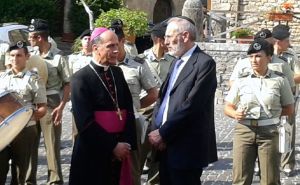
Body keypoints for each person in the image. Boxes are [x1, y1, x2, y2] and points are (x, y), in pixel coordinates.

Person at [149, 16, 218, 185]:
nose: (165, 42)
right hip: (164, 145)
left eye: (168, 36)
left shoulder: (204, 63)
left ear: (185, 36)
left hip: (186, 147)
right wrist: (155, 129)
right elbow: (163, 99)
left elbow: (192, 105)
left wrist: (163, 133)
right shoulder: (175, 63)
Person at [69, 27, 137, 185]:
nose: (116, 50)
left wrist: (125, 144)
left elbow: (128, 110)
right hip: (93, 150)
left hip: (121, 148)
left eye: (117, 45)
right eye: (110, 46)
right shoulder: (80, 79)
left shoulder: (117, 73)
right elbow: (85, 122)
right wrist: (113, 146)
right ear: (95, 48)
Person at [224, 39, 294, 185]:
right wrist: (235, 114)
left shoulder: (280, 80)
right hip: (244, 131)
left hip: (269, 132)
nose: (253, 60)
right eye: (251, 56)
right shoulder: (241, 81)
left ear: (269, 57)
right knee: (240, 179)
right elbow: (227, 107)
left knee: (270, 179)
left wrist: (271, 117)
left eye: (258, 56)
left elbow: (289, 108)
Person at [109, 23, 158, 185]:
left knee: (132, 168)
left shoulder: (138, 64)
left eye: (116, 43)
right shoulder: (103, 66)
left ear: (123, 41)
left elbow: (153, 94)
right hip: (107, 125)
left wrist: (134, 107)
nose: (113, 49)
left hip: (131, 124)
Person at [27, 18, 71, 185]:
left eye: (31, 36)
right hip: (33, 104)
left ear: (40, 38)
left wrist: (61, 107)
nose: (29, 40)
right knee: (31, 145)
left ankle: (54, 180)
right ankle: (29, 179)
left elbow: (67, 84)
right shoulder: (31, 56)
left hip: (52, 103)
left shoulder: (59, 57)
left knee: (51, 145)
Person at [0, 41, 47, 185]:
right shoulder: (1, 78)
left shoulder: (34, 79)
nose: (15, 58)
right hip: (2, 131)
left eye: (19, 55)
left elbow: (42, 108)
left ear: (27, 57)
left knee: (20, 174)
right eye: (12, 55)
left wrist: (24, 118)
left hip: (25, 130)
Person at [139, 21, 174, 185]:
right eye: (168, 37)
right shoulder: (140, 61)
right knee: (137, 157)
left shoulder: (174, 62)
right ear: (160, 40)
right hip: (144, 115)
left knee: (158, 159)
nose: (170, 42)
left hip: (164, 116)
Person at [272, 25, 300, 176]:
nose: (289, 43)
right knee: (266, 130)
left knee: (288, 130)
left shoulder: (290, 55)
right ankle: (261, 162)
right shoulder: (266, 53)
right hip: (269, 99)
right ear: (277, 41)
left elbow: (299, 75)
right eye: (286, 40)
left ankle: (288, 163)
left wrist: (282, 81)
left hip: (288, 98)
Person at [68, 29, 92, 143]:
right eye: (85, 39)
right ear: (81, 41)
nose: (87, 41)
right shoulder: (73, 58)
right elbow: (68, 79)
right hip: (77, 100)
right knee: (76, 133)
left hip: (93, 100)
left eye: (90, 39)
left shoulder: (97, 58)